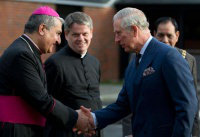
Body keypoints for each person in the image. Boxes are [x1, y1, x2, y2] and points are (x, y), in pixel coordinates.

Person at [78, 7, 198, 137]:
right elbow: (123, 105)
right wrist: (93, 119)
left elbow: (186, 106)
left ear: (134, 30)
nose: (116, 39)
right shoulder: (132, 64)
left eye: (119, 33)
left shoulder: (169, 56)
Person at [0, 6, 91, 137]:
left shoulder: (26, 51)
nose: (59, 41)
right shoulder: (21, 54)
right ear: (42, 29)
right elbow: (41, 99)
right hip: (16, 129)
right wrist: (75, 118)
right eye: (58, 33)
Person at [122, 17, 200, 137]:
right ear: (154, 35)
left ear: (177, 35)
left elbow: (192, 101)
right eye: (160, 35)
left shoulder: (188, 60)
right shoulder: (139, 59)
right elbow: (131, 100)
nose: (165, 40)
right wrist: (129, 133)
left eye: (169, 35)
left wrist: (194, 134)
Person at [44, 12, 102, 137]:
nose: (81, 39)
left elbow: (96, 99)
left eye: (85, 34)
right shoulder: (55, 63)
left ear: (91, 33)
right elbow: (46, 103)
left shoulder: (95, 62)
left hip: (94, 132)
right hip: (66, 132)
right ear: (66, 34)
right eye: (76, 34)